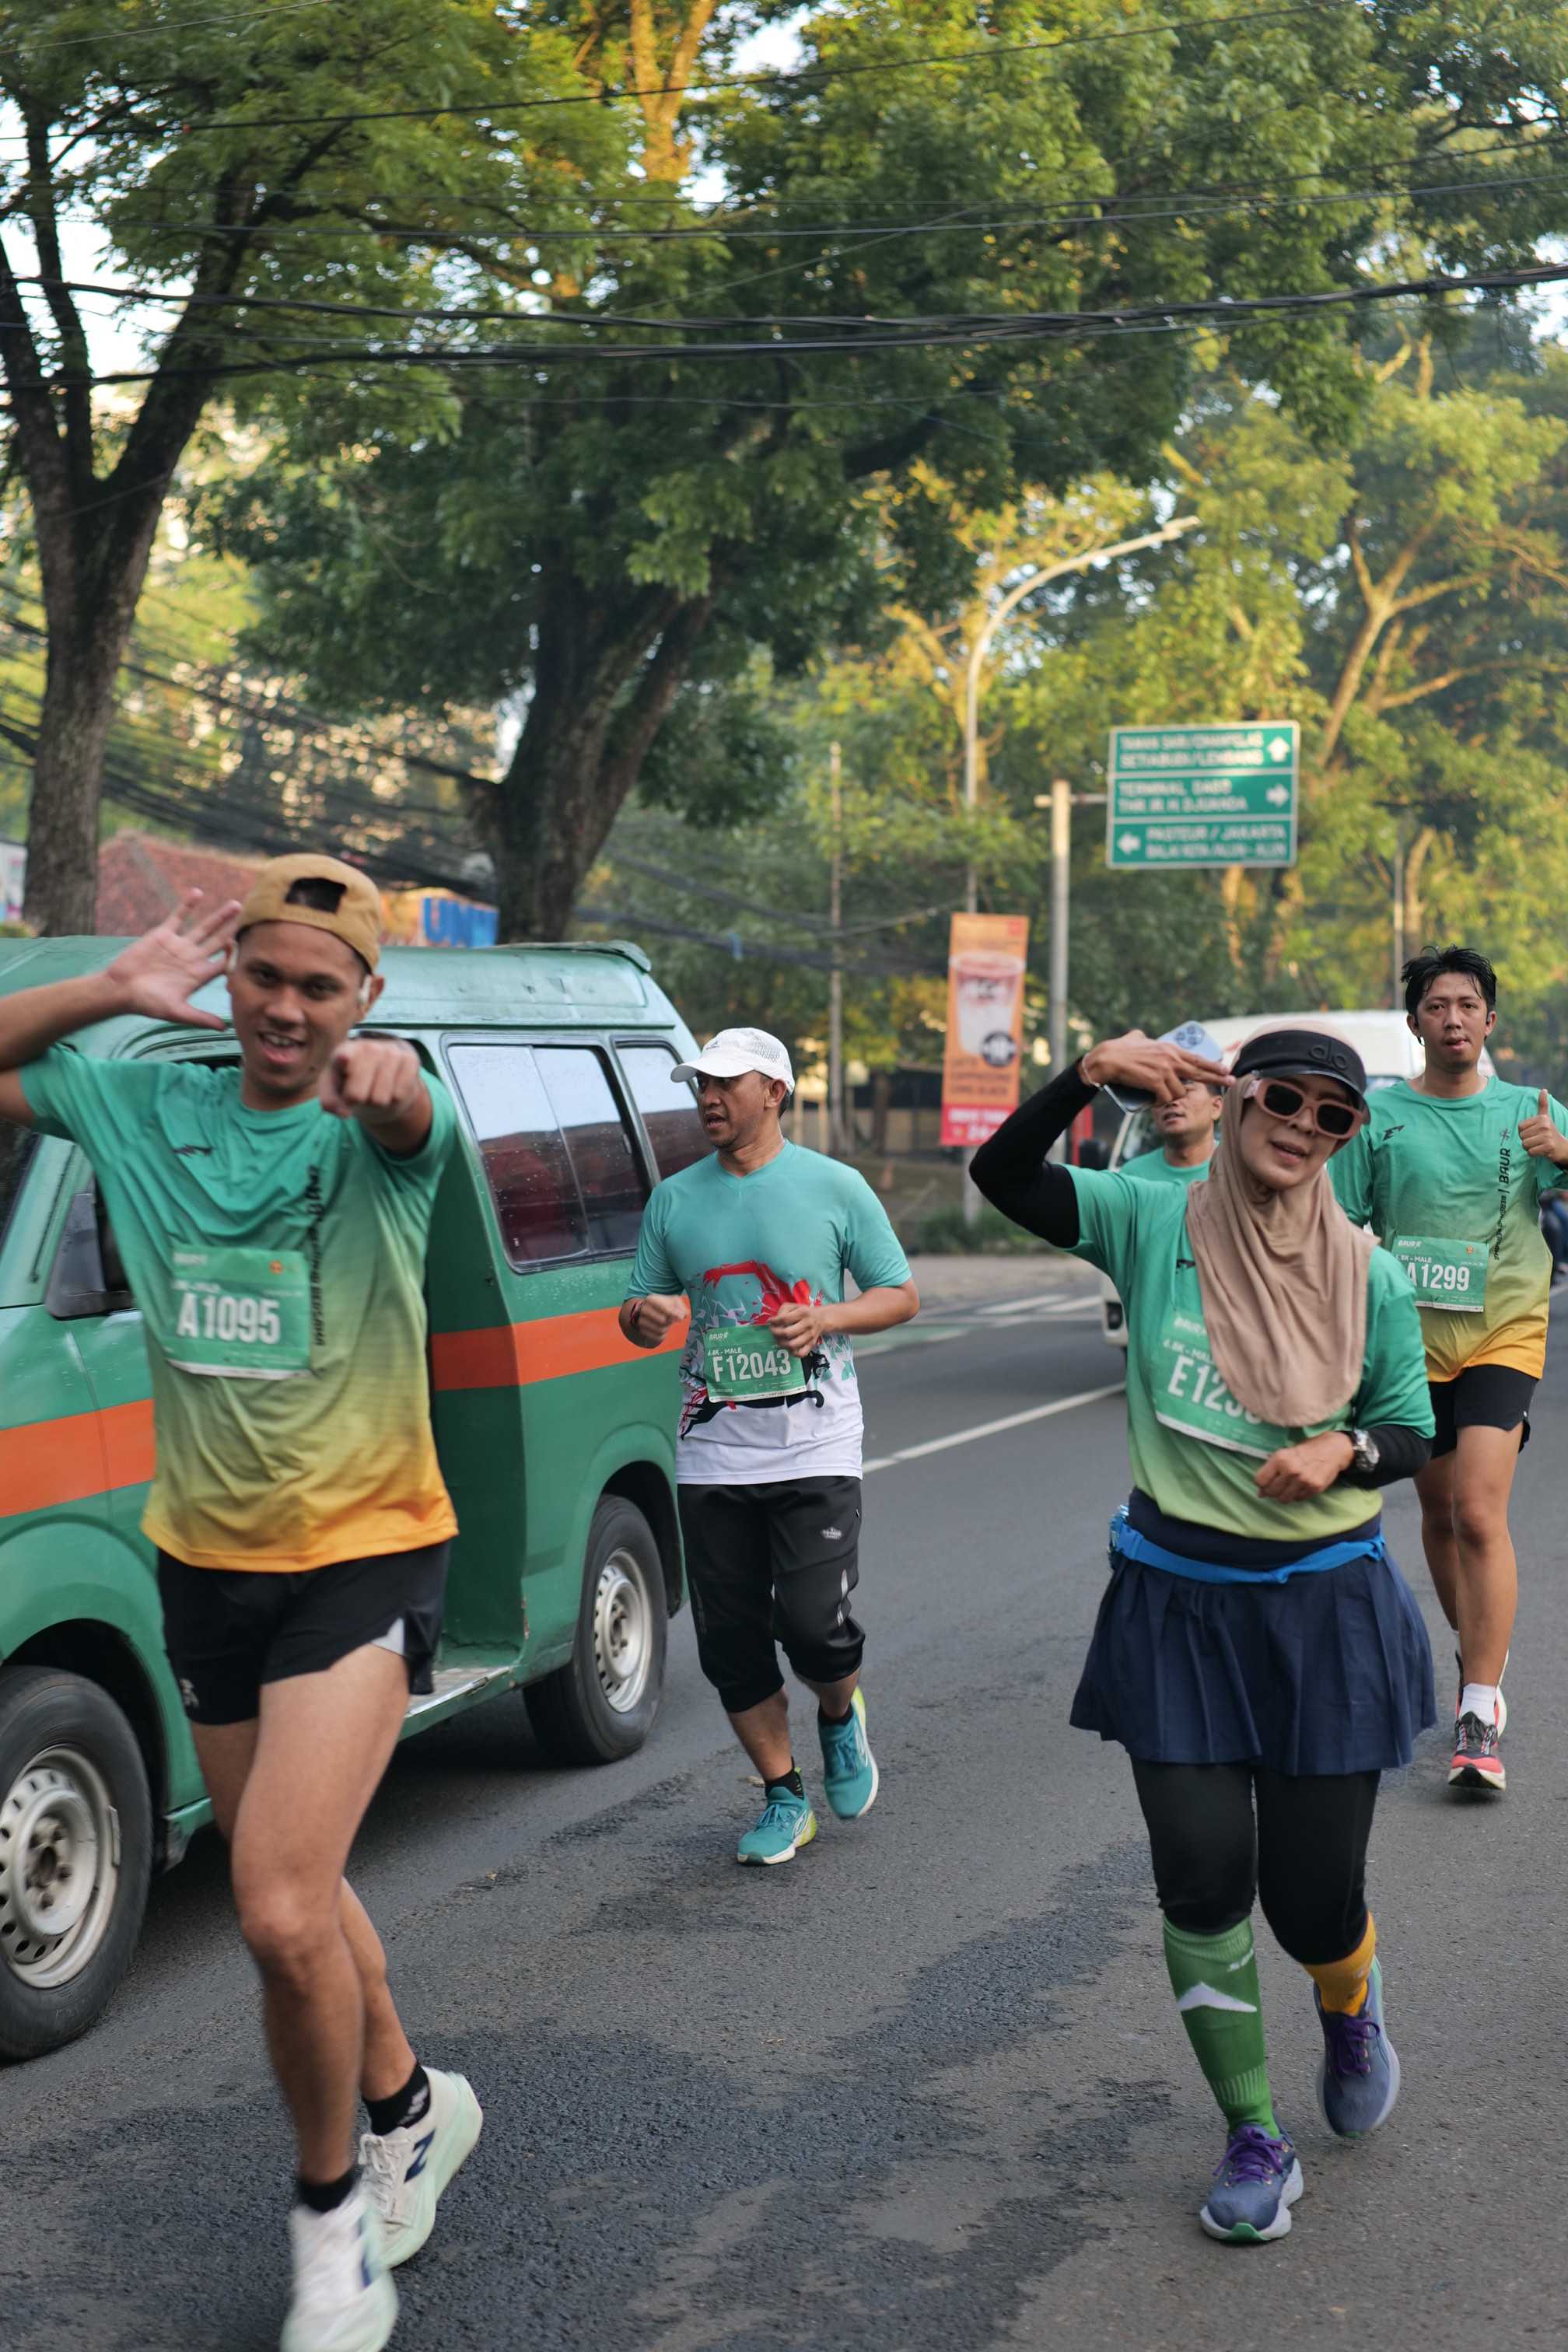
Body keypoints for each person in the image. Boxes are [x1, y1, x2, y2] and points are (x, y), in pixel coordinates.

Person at [0, 862, 482, 2352]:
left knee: (272, 1902)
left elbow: (412, 1119)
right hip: (206, 1561)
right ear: (229, 980)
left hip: (366, 1547)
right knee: (302, 1880)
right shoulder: (141, 1103)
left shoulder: (380, 1123)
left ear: (365, 997)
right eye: (263, 974)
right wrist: (102, 987)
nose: (286, 1007)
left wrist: (392, 1087)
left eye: (320, 986)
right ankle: (414, 2102)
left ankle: (330, 2222)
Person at [973, 1024, 1434, 2245]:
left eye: (1334, 1116)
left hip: (1324, 1613)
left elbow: (1411, 1430)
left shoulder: (1371, 1275)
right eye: (1284, 1099)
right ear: (1236, 1103)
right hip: (1175, 1605)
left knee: (1311, 1905)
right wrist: (1083, 1073)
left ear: (1346, 1140)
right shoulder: (1147, 1217)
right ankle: (1254, 2135)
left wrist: (1346, 1449)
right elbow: (1003, 1178)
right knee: (1201, 1877)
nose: (1303, 1126)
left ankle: (1348, 1999)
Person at [618, 1027, 919, 1864]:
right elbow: (639, 1309)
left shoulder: (834, 1186)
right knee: (730, 1643)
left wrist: (827, 1317)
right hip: (712, 1451)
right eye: (700, 1085)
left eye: (726, 1084)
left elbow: (899, 1295)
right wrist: (642, 1315)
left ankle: (839, 1713)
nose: (708, 1098)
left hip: (815, 1442)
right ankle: (785, 1797)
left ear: (774, 1091)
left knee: (814, 1627)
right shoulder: (674, 1199)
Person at [1332, 947, 1568, 1795]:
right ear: (1415, 1023)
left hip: (1504, 1329)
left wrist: (1566, 1156)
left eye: (1468, 1005)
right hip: (1410, 1341)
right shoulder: (1380, 1118)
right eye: (1438, 1006)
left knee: (1476, 1509)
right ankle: (1479, 1650)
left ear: (1490, 1021)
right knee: (1436, 1513)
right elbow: (1339, 1225)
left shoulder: (1531, 1110)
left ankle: (1476, 1709)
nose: (1454, 1019)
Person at [1122, 1021, 1225, 1186]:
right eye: (1161, 1092)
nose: (1171, 1100)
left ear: (1216, 1107)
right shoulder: (1132, 1177)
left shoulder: (1239, 1170)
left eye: (1185, 1090)